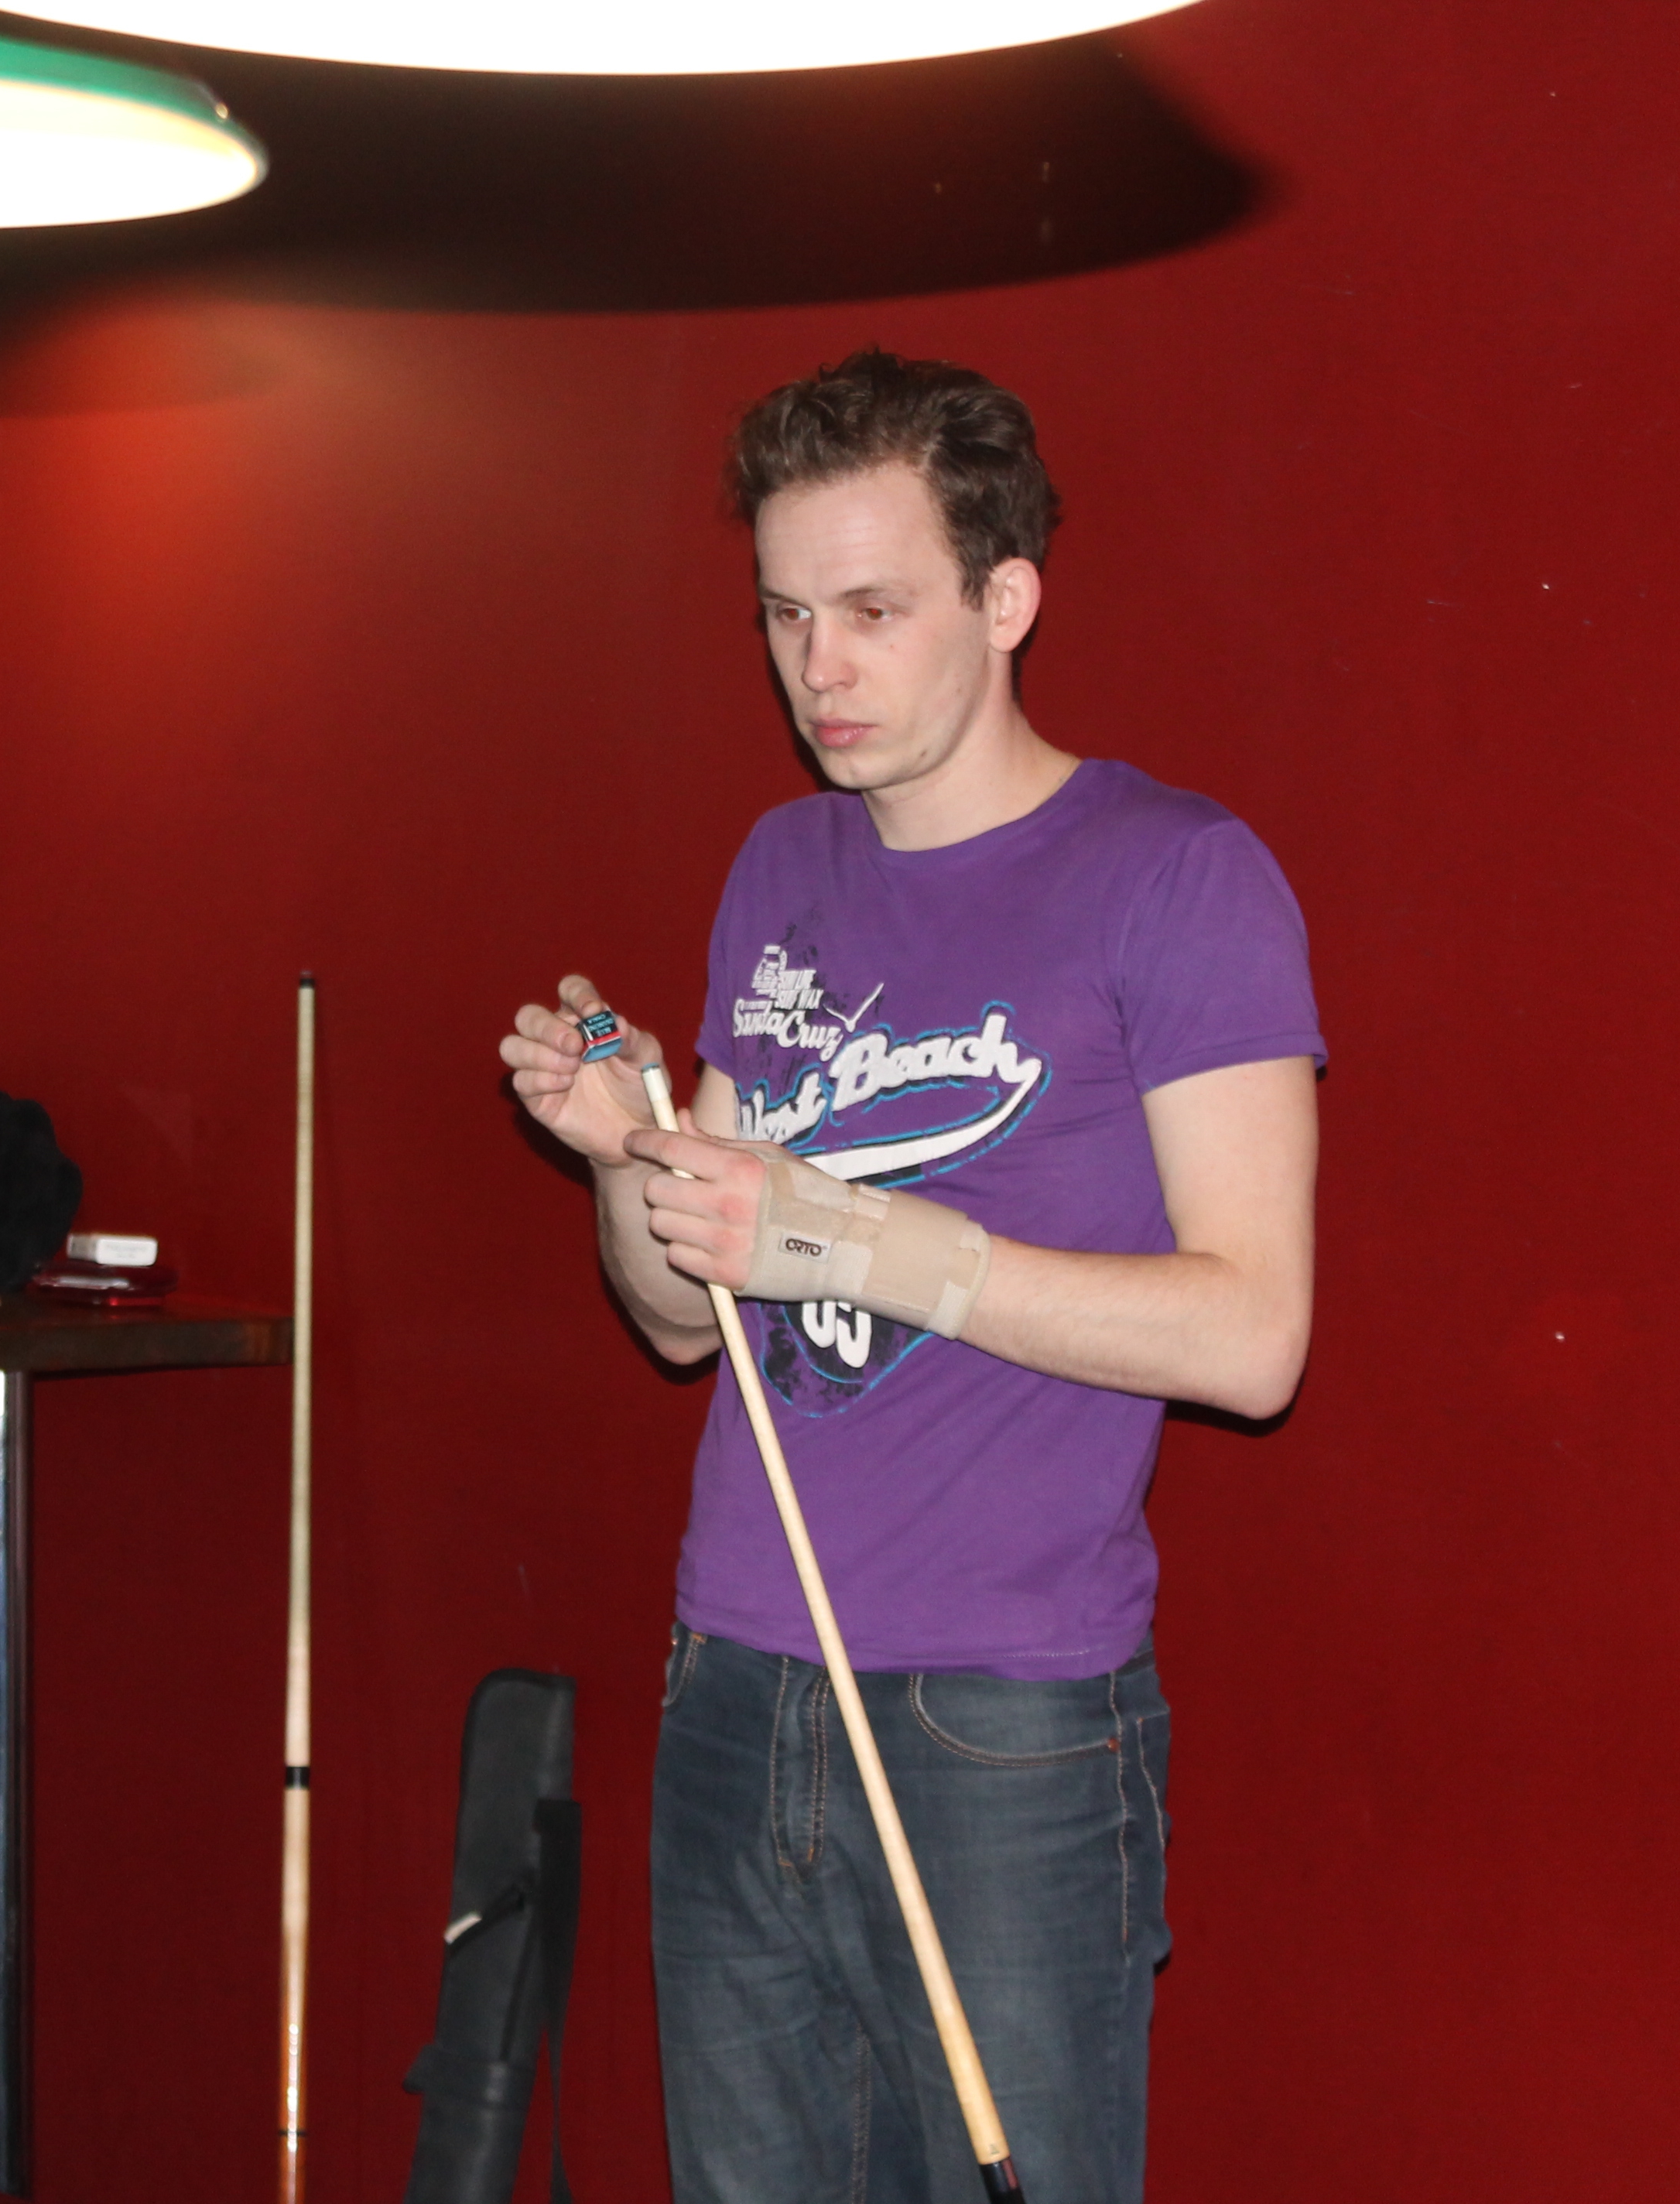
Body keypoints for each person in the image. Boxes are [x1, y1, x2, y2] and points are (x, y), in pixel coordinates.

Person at [498, 351, 1322, 2203]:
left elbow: (1256, 1333)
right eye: (785, 615)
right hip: (735, 1678)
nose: (822, 668)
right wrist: (629, 1148)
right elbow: (681, 1320)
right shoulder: (781, 863)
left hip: (1003, 1721)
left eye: (874, 610)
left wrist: (868, 1244)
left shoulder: (1180, 876)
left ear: (1006, 597)